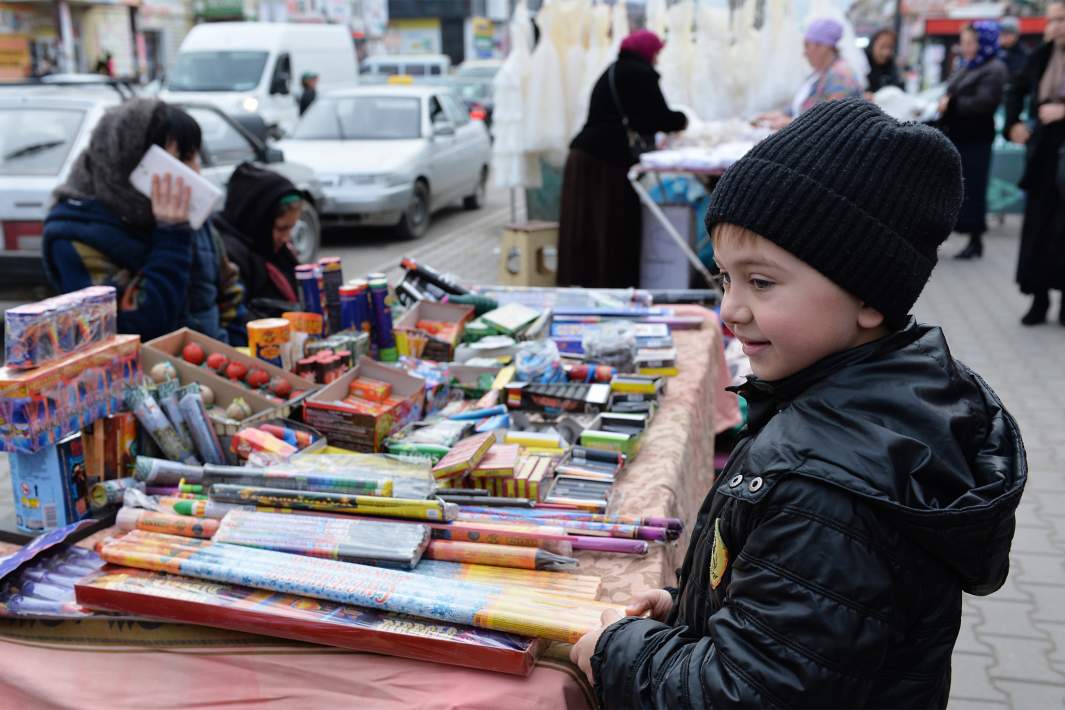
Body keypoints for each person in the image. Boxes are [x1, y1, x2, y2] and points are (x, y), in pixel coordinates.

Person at [570, 99, 1025, 707]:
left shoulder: (832, 485)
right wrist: (688, 617)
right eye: (724, 278)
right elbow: (795, 620)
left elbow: (746, 693)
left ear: (868, 297)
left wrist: (618, 651)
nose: (729, 309)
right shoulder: (846, 411)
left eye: (761, 282)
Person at [42, 99, 246, 344]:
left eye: (195, 157)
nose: (194, 172)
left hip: (212, 373)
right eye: (180, 160)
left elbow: (229, 294)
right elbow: (136, 327)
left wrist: (233, 357)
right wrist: (172, 235)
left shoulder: (191, 216)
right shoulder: (75, 235)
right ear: (134, 164)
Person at [557, 29, 687, 288]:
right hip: (606, 162)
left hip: (585, 156)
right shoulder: (640, 74)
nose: (658, 58)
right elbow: (654, 118)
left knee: (587, 229)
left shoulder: (615, 70)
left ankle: (583, 284)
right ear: (648, 51)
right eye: (657, 53)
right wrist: (682, 119)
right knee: (612, 226)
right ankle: (612, 286)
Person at [1005, 0, 1065, 325]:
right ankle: (1039, 299)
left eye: (1061, 19)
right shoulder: (1041, 56)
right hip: (1044, 152)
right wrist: (1012, 122)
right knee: (1040, 226)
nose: (1054, 26)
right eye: (1052, 19)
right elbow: (1015, 87)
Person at [937, 22, 1009, 260]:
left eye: (971, 42)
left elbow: (985, 102)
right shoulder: (968, 65)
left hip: (976, 138)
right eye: (964, 42)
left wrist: (953, 104)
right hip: (959, 135)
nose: (966, 47)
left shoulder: (994, 68)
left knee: (973, 188)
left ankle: (975, 238)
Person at [215, 162, 303, 319]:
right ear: (258, 220)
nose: (286, 238)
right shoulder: (230, 254)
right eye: (281, 228)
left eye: (290, 228)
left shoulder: (274, 250)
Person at [755, 18, 864, 130]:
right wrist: (779, 115)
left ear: (823, 47)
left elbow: (832, 122)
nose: (804, 53)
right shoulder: (818, 74)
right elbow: (801, 108)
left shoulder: (840, 77)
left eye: (807, 46)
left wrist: (790, 123)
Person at [865, 28, 903, 95]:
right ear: (873, 44)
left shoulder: (891, 65)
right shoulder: (862, 63)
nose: (886, 52)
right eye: (882, 46)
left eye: (890, 47)